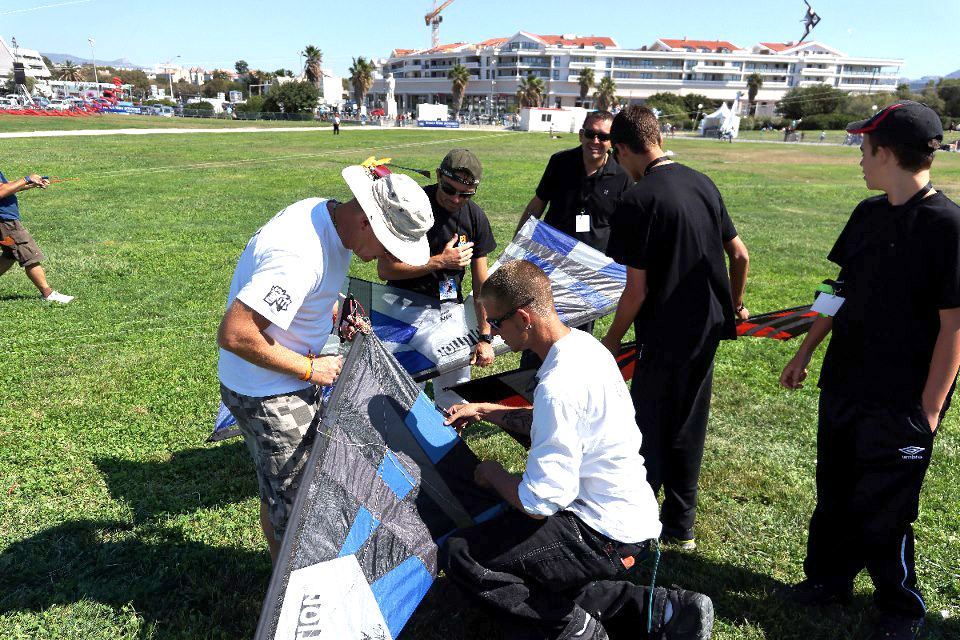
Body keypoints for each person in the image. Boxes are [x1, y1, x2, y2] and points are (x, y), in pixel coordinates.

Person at [441, 259, 715, 640]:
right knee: (537, 563)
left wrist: (494, 474)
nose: (495, 334)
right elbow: (550, 419)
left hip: (603, 532)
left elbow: (539, 503)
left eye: (497, 322)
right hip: (630, 515)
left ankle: (577, 631)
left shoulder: (558, 386)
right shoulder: (584, 348)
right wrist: (486, 410)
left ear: (523, 318)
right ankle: (662, 610)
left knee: (464, 555)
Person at [778, 101, 957, 640]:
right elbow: (837, 291)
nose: (858, 156)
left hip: (902, 398)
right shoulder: (867, 214)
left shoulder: (947, 225)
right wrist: (806, 349)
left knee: (886, 506)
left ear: (886, 152)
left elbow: (954, 328)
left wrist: (928, 410)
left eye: (863, 147)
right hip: (845, 381)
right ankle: (828, 581)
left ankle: (899, 606)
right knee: (833, 489)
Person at [217, 165, 433, 563]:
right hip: (269, 391)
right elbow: (235, 334)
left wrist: (336, 311)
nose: (387, 259)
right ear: (367, 220)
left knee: (284, 490)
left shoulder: (328, 216)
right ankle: (291, 598)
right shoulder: (298, 256)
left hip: (281, 377)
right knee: (299, 509)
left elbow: (313, 290)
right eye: (390, 245)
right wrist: (308, 368)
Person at [600, 106, 750, 551]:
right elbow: (739, 255)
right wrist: (735, 303)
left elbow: (636, 293)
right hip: (707, 327)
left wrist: (609, 341)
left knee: (647, 422)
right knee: (689, 420)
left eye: (616, 155)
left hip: (663, 331)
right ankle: (681, 525)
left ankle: (638, 519)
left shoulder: (637, 199)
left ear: (623, 148)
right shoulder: (702, 181)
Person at [378, 149, 496, 407]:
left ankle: (448, 440)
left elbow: (481, 287)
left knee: (456, 393)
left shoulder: (475, 218)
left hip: (447, 311)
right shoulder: (412, 205)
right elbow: (385, 270)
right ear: (439, 175)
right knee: (401, 394)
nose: (455, 199)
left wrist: (484, 337)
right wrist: (440, 262)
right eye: (449, 189)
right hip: (401, 308)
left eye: (465, 194)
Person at [515, 110, 633, 366]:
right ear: (581, 135)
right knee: (538, 329)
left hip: (589, 274)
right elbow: (537, 205)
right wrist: (517, 246)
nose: (596, 141)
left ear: (611, 141)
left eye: (603, 136)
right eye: (590, 134)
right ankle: (526, 384)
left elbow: (626, 228)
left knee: (577, 339)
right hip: (549, 265)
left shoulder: (623, 176)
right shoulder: (560, 162)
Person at [0, 171, 73, 303]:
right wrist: (26, 178)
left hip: (5, 220)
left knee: (9, 255)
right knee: (30, 255)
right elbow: (1, 191)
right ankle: (48, 293)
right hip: (6, 222)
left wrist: (31, 183)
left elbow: (7, 186)